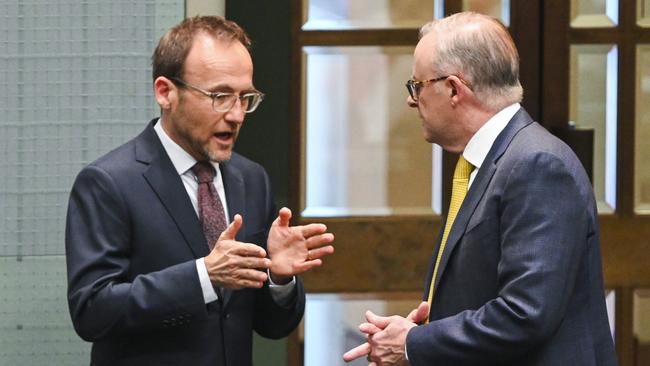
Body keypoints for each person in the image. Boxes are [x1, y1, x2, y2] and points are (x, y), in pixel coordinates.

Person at [344, 12, 617, 366]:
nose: (412, 100)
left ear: (455, 89)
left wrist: (414, 343)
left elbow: (525, 314)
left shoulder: (536, 164)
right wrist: (420, 331)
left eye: (418, 85)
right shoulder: (495, 159)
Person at [65, 16, 334, 366]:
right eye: (220, 96)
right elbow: (92, 310)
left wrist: (278, 277)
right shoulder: (108, 182)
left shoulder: (251, 179)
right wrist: (202, 277)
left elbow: (272, 326)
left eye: (245, 97)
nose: (237, 115)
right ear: (166, 92)